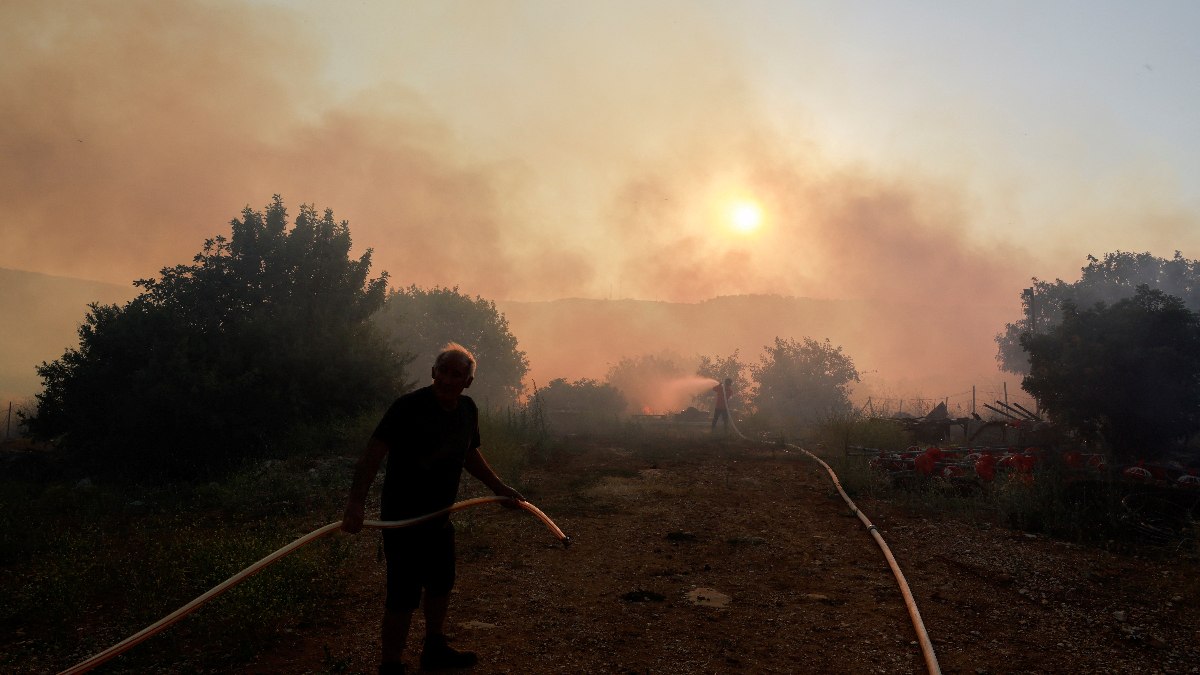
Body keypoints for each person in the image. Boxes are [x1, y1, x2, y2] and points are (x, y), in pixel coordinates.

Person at [342, 343, 524, 675]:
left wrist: (499, 488)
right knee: (402, 594)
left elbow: (469, 454)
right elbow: (373, 454)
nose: (448, 379)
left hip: (440, 517)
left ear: (467, 382)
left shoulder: (468, 410)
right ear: (432, 372)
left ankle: (434, 648)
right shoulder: (407, 407)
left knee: (441, 583)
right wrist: (355, 503)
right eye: (443, 370)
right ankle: (391, 665)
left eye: (458, 374)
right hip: (403, 519)